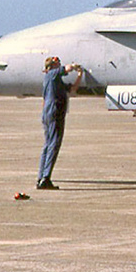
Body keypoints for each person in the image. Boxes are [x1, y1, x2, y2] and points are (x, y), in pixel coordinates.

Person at [38, 56, 83, 190]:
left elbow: (73, 89)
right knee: (53, 144)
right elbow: (66, 69)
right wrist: (75, 66)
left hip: (48, 113)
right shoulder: (52, 74)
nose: (59, 65)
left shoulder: (54, 81)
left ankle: (41, 177)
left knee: (47, 145)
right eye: (57, 63)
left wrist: (80, 75)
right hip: (54, 112)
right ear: (51, 66)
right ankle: (45, 178)